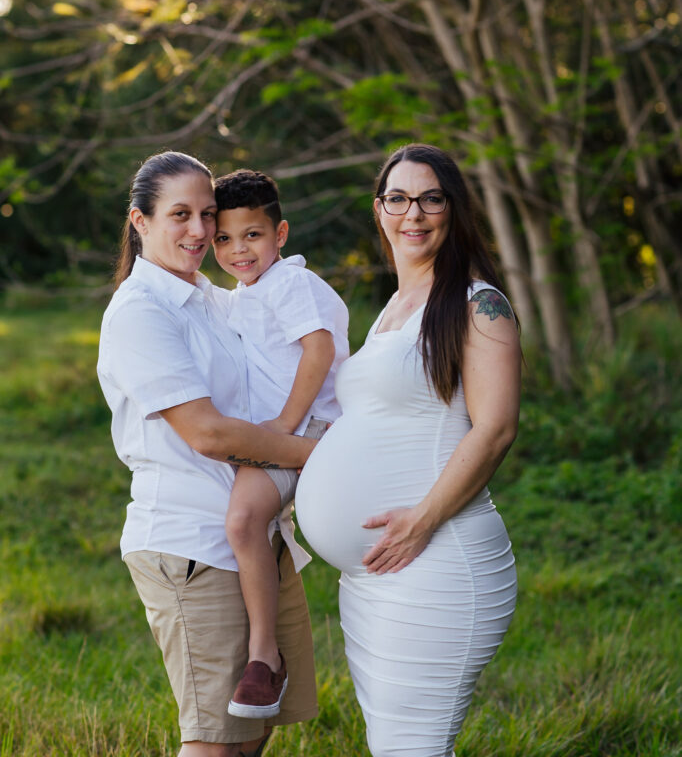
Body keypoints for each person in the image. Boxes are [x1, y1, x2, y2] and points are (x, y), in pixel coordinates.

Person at [295, 142, 521, 757]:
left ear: (453, 209)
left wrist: (423, 520)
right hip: (376, 577)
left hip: (437, 560)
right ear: (379, 210)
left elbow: (496, 428)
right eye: (398, 198)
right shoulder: (394, 309)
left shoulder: (480, 304)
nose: (413, 213)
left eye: (430, 198)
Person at [97, 151, 319, 757]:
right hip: (191, 543)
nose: (199, 231)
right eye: (180, 215)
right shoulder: (141, 313)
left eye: (207, 214)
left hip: (256, 537)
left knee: (251, 736)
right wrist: (317, 454)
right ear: (140, 222)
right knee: (216, 743)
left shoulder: (217, 301)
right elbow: (209, 434)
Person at [211, 169, 349, 719]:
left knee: (243, 520)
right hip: (281, 430)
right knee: (248, 523)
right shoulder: (246, 292)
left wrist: (283, 431)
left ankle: (265, 657)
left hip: (308, 427)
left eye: (253, 234)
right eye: (223, 238)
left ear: (281, 233)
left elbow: (317, 352)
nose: (238, 249)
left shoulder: (290, 283)